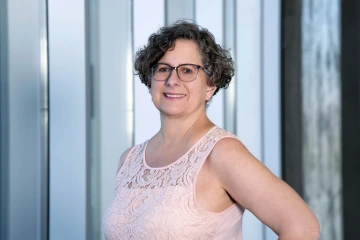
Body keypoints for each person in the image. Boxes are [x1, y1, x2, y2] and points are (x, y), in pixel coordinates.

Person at [103, 20, 320, 240]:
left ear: (210, 85)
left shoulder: (222, 153)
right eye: (163, 69)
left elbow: (302, 226)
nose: (172, 80)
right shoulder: (129, 160)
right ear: (150, 81)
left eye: (187, 70)